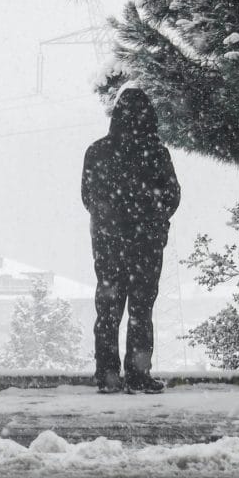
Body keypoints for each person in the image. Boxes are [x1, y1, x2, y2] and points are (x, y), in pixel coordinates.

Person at [81, 84, 181, 393]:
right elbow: (172, 195)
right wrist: (153, 220)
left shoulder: (97, 151)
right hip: (146, 244)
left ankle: (108, 376)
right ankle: (138, 374)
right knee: (141, 310)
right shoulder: (156, 152)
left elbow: (87, 196)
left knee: (108, 310)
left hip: (108, 243)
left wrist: (109, 220)